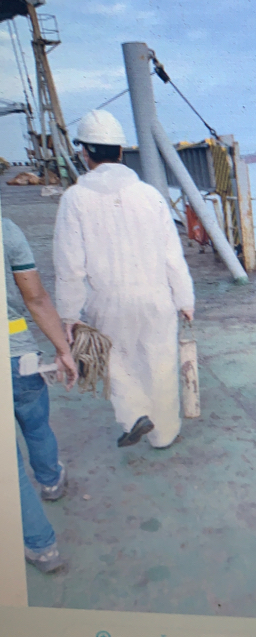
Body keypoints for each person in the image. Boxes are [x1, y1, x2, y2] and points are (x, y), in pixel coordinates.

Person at [53, 109, 195, 450]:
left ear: (84, 153)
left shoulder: (74, 199)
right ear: (120, 151)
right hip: (157, 297)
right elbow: (172, 255)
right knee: (160, 364)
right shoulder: (150, 195)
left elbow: (69, 266)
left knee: (115, 362)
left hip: (106, 301)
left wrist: (69, 316)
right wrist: (185, 299)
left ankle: (133, 416)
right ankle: (163, 435)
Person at [3, 218, 78, 573]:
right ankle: (51, 482)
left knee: (9, 467)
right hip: (20, 356)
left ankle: (41, 547)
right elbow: (36, 298)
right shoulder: (6, 229)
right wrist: (63, 350)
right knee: (36, 425)